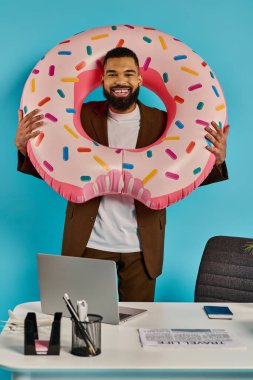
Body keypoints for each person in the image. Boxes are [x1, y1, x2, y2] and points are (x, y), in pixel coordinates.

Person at [15, 47, 229, 302]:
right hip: (89, 242)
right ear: (102, 79)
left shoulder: (166, 124)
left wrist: (215, 160)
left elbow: (180, 175)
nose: (120, 81)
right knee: (85, 327)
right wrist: (24, 149)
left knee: (138, 328)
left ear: (140, 78)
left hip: (141, 246)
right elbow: (62, 170)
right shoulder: (77, 118)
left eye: (128, 74)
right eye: (112, 74)